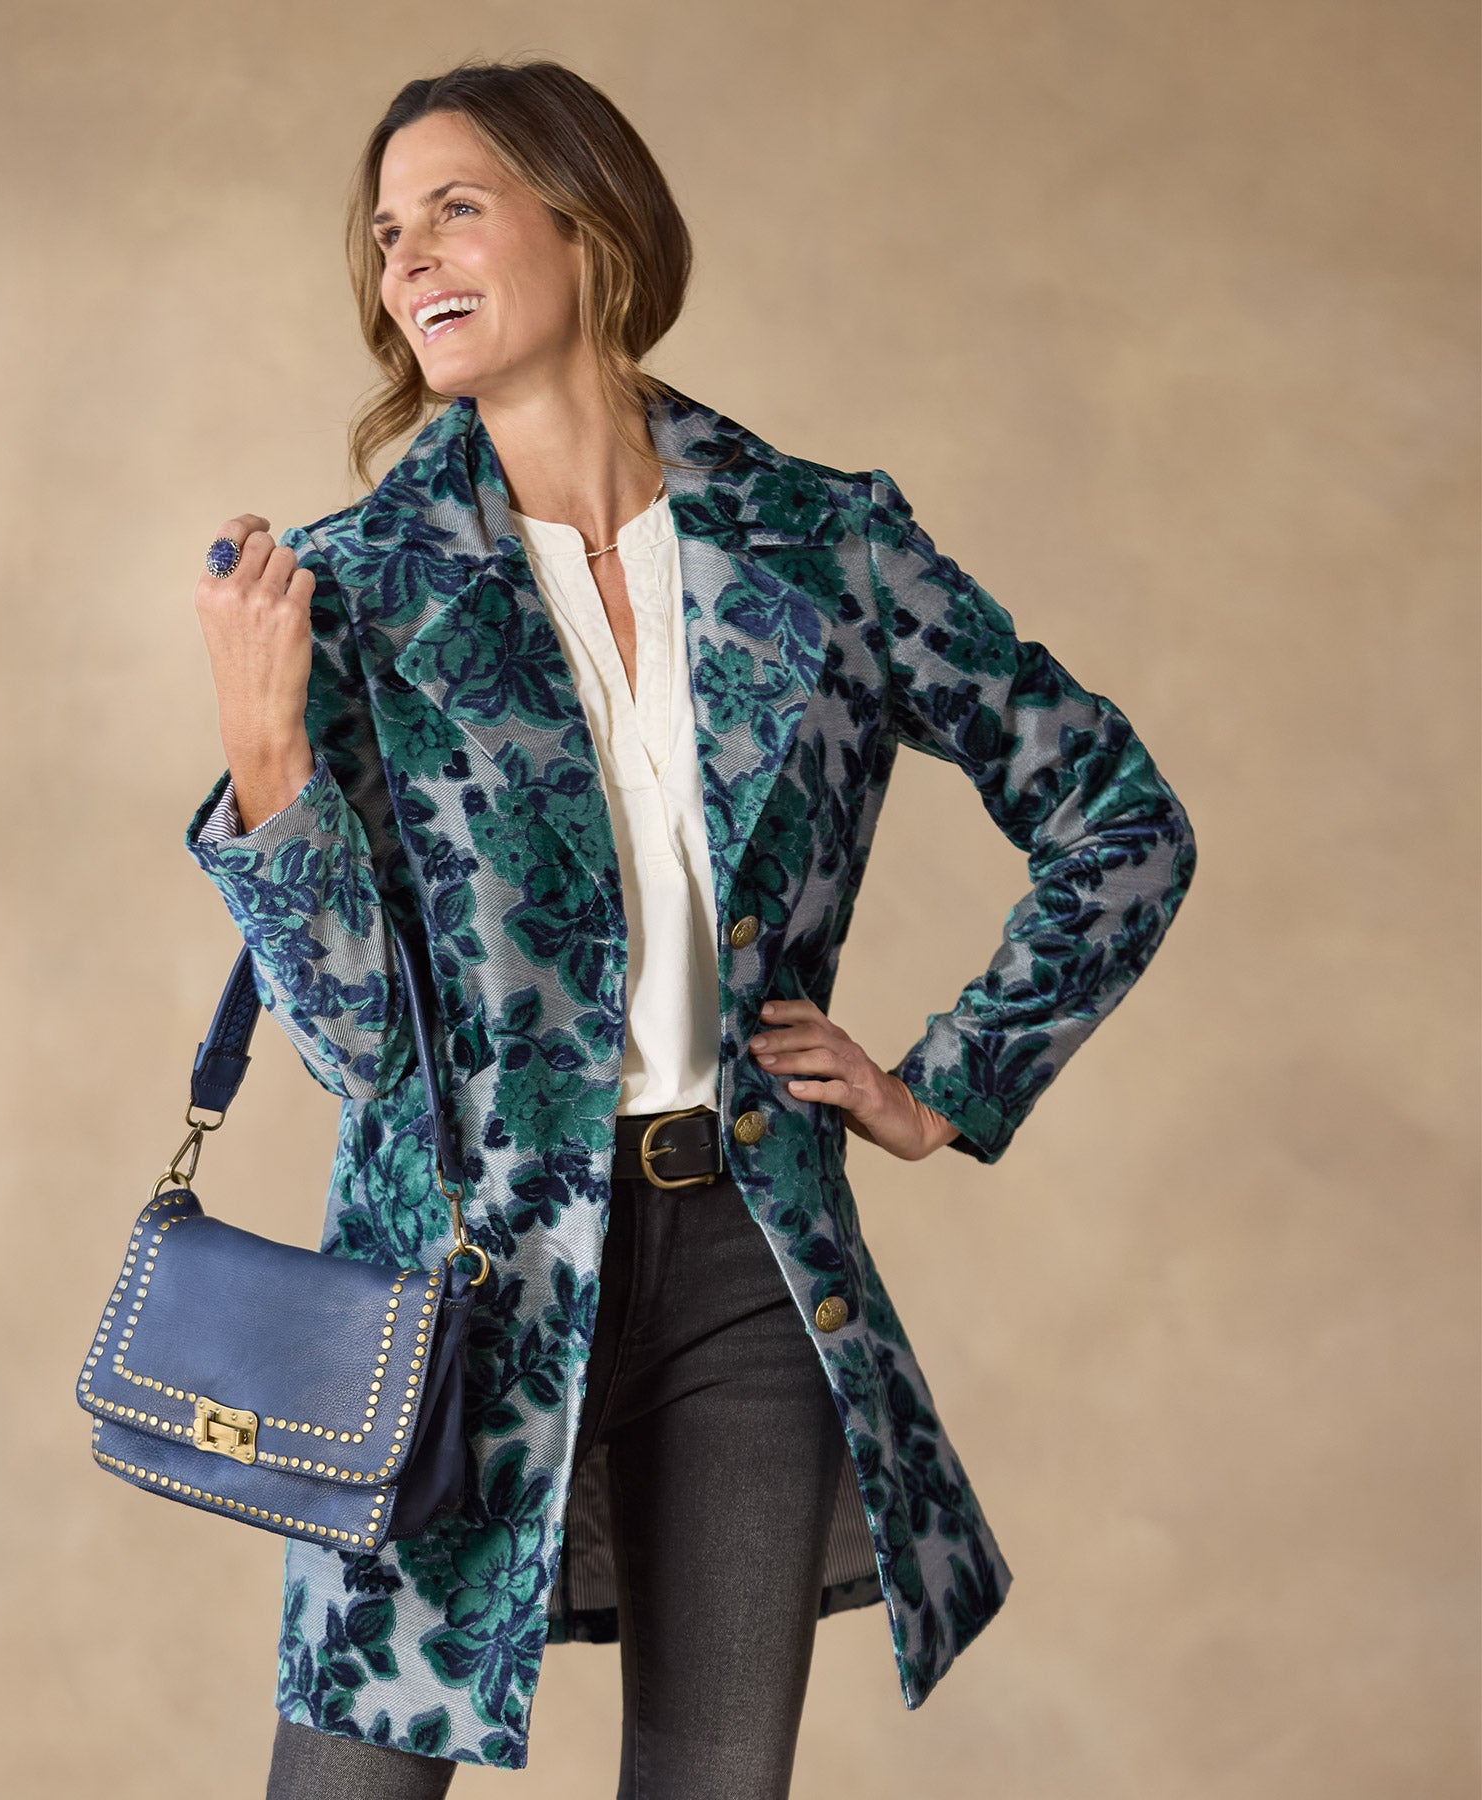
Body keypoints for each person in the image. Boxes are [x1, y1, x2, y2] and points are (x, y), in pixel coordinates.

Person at [185, 57, 1196, 1800]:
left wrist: (943, 1085)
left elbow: (1120, 819)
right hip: (465, 1281)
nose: (406, 259)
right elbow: (357, 1054)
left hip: (749, 1266)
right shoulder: (351, 591)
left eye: (455, 210)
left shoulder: (828, 544)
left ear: (588, 226)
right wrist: (266, 755)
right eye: (385, 232)